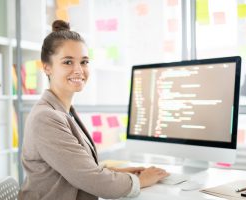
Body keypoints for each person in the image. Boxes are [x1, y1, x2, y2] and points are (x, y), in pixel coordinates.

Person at [18, 20, 169, 200]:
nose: (79, 70)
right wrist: (140, 181)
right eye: (67, 62)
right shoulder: (46, 118)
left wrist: (115, 172)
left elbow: (75, 168)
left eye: (84, 62)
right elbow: (94, 181)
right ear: (47, 67)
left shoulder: (63, 111)